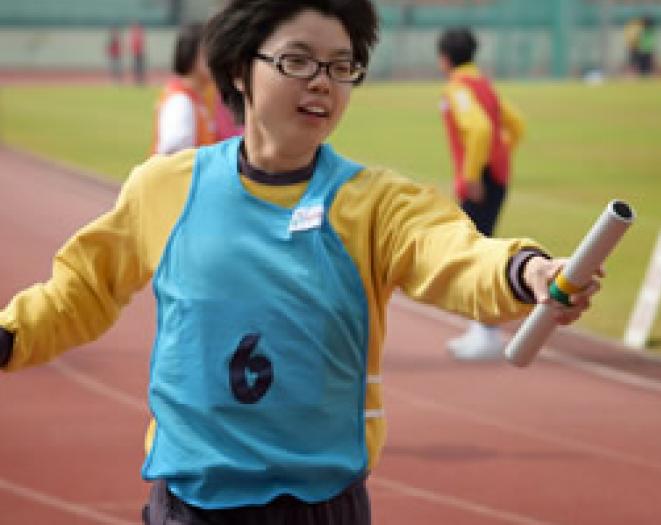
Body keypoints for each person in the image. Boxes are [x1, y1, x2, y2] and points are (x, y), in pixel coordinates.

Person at [0, 1, 601, 523]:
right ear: (241, 68)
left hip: (322, 505)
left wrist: (527, 270)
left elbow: (454, 253)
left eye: (341, 66)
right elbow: (83, 287)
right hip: (191, 502)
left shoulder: (375, 204)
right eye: (298, 61)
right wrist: (11, 336)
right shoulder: (165, 188)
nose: (322, 83)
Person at [437, 27, 526, 360]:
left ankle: (488, 332)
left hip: (482, 181)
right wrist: (501, 156)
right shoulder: (484, 84)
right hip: (495, 177)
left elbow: (479, 129)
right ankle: (481, 329)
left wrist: (473, 173)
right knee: (477, 249)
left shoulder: (458, 88)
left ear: (444, 59)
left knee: (476, 255)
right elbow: (517, 125)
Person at [152, 23, 218, 154]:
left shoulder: (196, 98)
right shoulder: (181, 102)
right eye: (208, 53)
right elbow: (173, 154)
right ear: (190, 55)